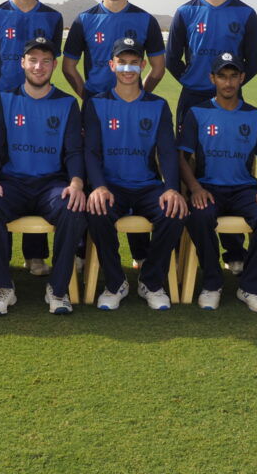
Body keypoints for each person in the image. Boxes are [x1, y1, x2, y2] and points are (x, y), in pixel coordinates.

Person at [63, 0, 166, 266]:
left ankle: (140, 252)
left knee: (136, 168)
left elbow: (158, 66)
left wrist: (138, 97)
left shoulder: (145, 19)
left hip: (134, 108)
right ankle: (83, 248)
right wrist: (89, 97)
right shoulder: (84, 19)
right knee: (92, 169)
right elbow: (69, 66)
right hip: (95, 108)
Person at [167, 0, 257, 274]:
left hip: (231, 102)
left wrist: (228, 86)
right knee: (188, 167)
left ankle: (234, 250)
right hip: (193, 99)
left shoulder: (245, 13)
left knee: (235, 165)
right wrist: (195, 81)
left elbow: (255, 61)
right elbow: (171, 59)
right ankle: (182, 246)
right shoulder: (185, 11)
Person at [0, 37, 87, 316]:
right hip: (13, 184)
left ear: (54, 65)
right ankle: (3, 288)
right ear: (22, 63)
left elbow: (74, 151)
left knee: (73, 209)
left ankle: (58, 289)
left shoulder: (67, 103)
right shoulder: (4, 99)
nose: (39, 66)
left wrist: (76, 182)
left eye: (46, 61)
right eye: (33, 60)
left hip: (51, 185)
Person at [83, 37, 187, 311]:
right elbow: (91, 152)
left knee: (173, 211)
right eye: (121, 63)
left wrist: (172, 188)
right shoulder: (95, 104)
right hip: (111, 185)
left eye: (133, 63)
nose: (127, 69)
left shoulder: (158, 105)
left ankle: (151, 281)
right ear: (111, 65)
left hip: (146, 186)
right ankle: (115, 283)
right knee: (96, 210)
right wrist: (98, 186)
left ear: (142, 65)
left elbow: (166, 152)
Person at [0, 0, 63, 276]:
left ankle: (35, 254)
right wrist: (8, 93)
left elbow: (51, 60)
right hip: (5, 103)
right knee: (6, 169)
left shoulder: (52, 18)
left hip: (41, 103)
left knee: (38, 168)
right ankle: (3, 257)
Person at [179, 53, 257, 312]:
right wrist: (195, 188)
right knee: (199, 215)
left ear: (242, 78)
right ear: (212, 78)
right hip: (208, 188)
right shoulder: (197, 112)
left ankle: (251, 286)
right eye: (222, 76)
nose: (228, 83)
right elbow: (182, 158)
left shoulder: (254, 115)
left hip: (243, 190)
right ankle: (212, 283)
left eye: (233, 76)